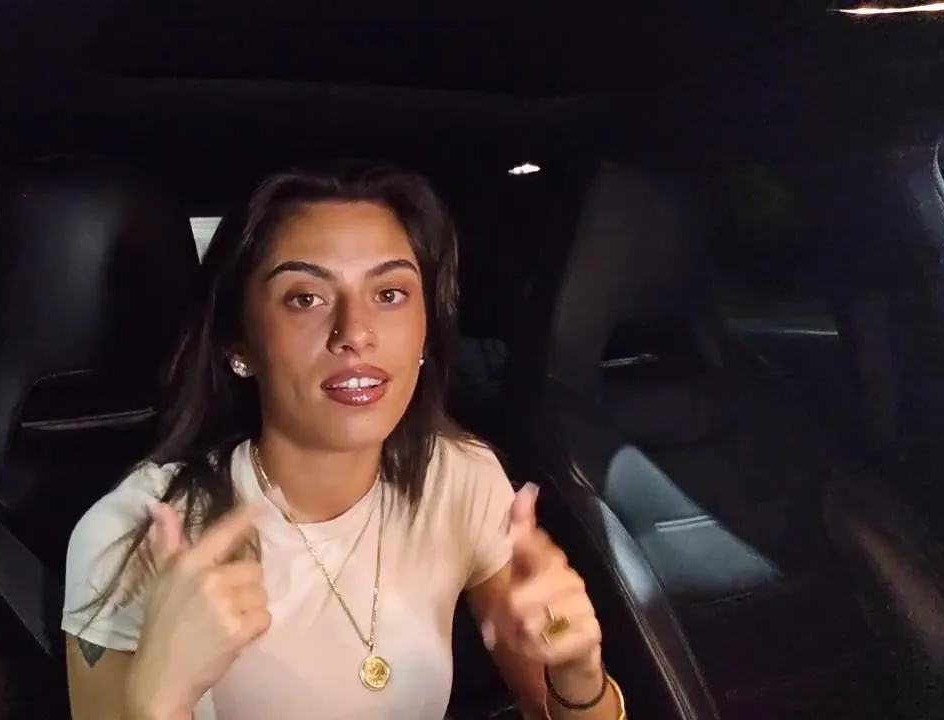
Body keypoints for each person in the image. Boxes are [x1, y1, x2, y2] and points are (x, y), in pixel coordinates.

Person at [62, 162, 625, 720]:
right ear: (240, 343)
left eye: (390, 293)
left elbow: (551, 706)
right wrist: (159, 703)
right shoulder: (134, 534)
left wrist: (578, 673)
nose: (355, 332)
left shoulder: (459, 478)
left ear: (426, 331)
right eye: (305, 298)